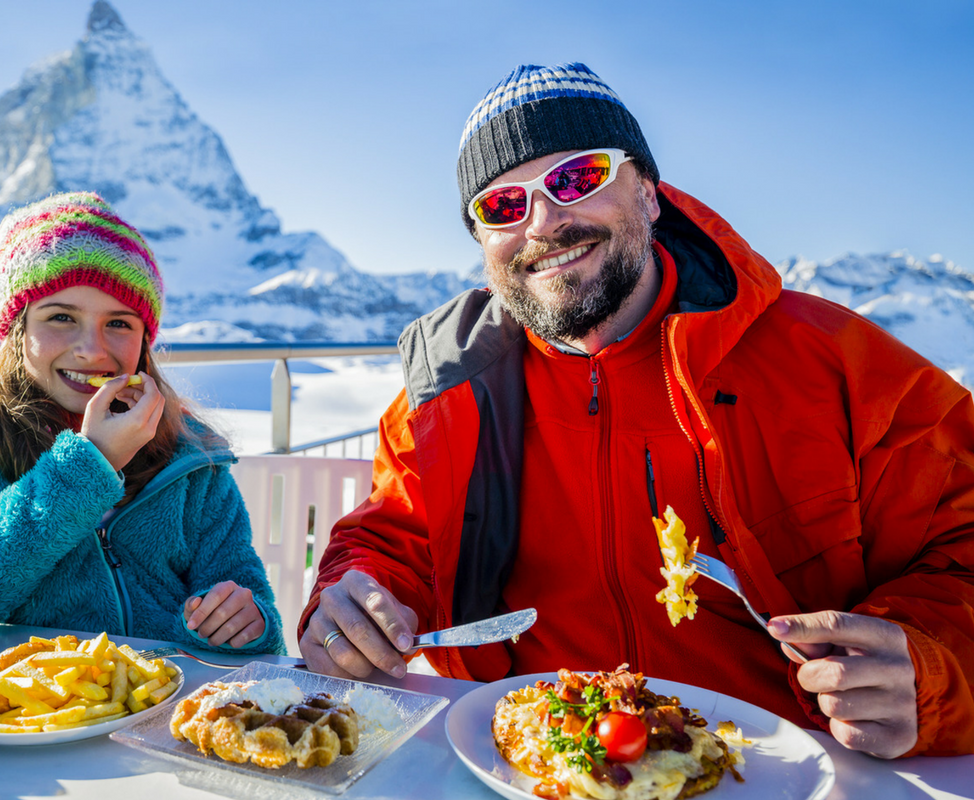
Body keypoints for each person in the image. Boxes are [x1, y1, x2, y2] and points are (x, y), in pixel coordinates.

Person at [299, 63, 974, 758]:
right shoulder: (446, 394)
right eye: (503, 206)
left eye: (576, 178)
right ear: (482, 243)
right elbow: (393, 540)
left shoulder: (836, 363)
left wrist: (932, 670)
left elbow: (963, 542)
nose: (544, 222)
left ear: (650, 195)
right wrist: (356, 601)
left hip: (787, 765)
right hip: (526, 758)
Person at [0, 192, 283, 654]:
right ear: (16, 329)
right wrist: (89, 466)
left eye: (120, 324)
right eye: (62, 317)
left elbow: (253, 614)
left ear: (145, 341)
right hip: (16, 714)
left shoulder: (192, 456)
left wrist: (247, 623)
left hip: (162, 711)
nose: (92, 349)